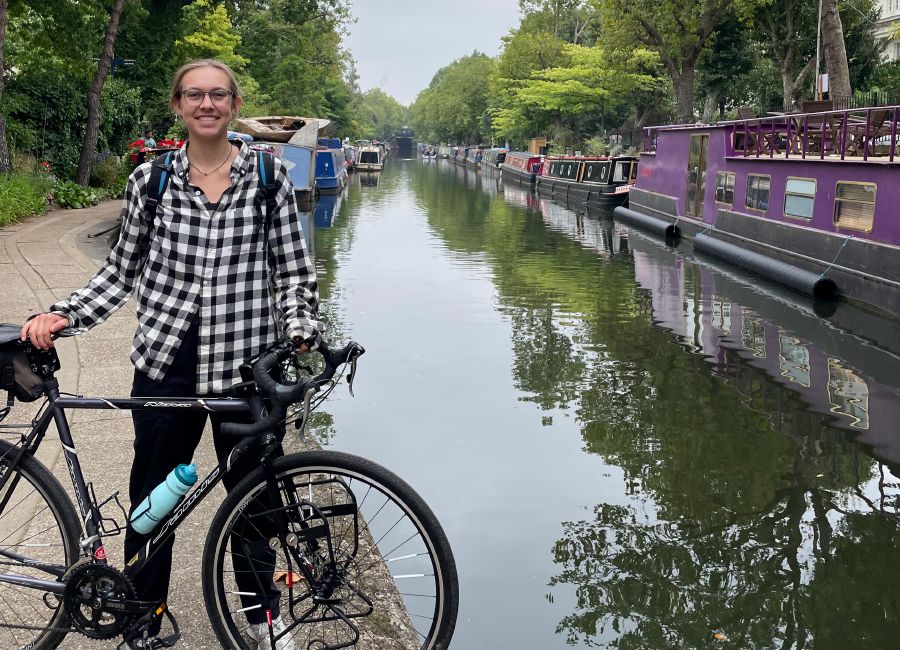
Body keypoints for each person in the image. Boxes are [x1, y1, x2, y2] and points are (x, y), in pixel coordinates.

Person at [21, 59, 321, 649]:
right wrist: (67, 313)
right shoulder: (150, 182)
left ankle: (262, 619)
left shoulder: (268, 178)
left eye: (217, 95)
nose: (206, 104)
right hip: (167, 362)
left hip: (247, 366)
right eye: (194, 95)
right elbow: (121, 271)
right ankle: (142, 617)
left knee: (254, 504)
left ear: (233, 104)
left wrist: (301, 325)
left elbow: (293, 271)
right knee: (153, 499)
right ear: (179, 106)